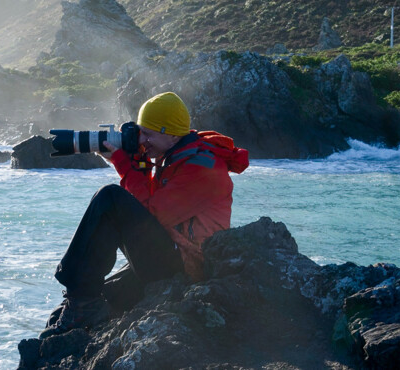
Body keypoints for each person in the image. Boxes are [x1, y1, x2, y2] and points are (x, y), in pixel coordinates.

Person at [40, 91, 249, 339]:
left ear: (171, 133)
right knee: (81, 306)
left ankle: (80, 295)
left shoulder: (202, 167)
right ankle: (81, 304)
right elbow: (150, 206)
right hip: (170, 254)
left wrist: (122, 162)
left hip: (185, 268)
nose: (142, 139)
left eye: (148, 133)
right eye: (140, 131)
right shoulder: (176, 155)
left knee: (110, 198)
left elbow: (152, 213)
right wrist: (138, 162)